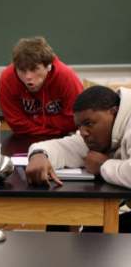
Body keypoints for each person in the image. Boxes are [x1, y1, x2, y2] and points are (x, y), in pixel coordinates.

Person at [25, 86, 131, 231]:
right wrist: (38, 154)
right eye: (79, 126)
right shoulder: (102, 131)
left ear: (113, 112)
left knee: (95, 236)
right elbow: (63, 147)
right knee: (65, 220)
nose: (83, 133)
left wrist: (103, 166)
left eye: (88, 124)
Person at [0, 37, 83, 137]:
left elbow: (74, 120)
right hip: (27, 137)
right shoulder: (7, 79)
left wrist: (35, 119)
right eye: (22, 70)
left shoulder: (67, 77)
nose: (28, 77)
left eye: (34, 69)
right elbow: (17, 124)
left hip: (64, 138)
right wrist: (54, 129)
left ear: (48, 66)